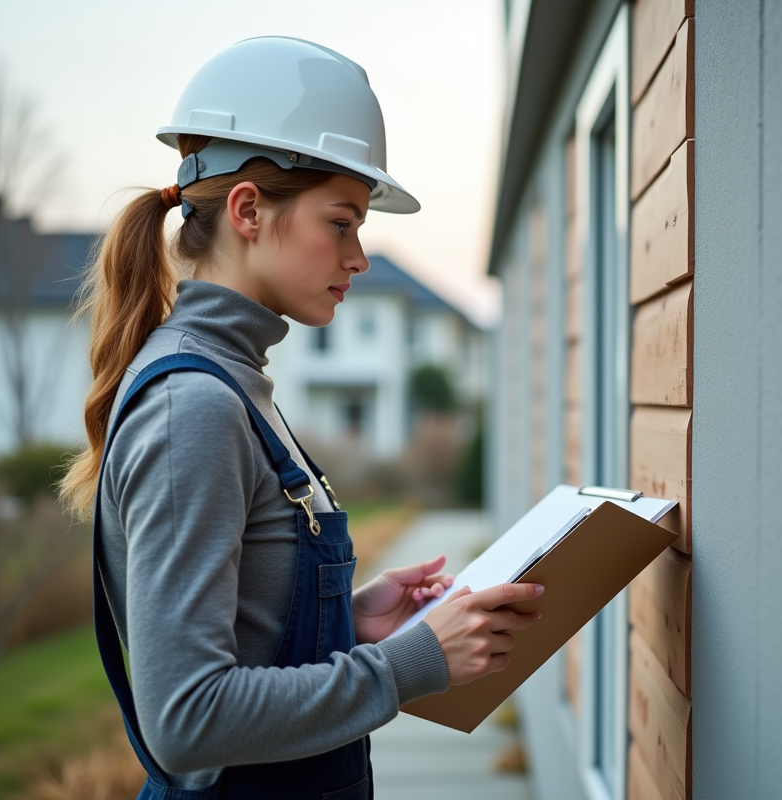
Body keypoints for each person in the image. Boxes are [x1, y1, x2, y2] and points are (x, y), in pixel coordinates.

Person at [58, 36, 541, 800]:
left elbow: (244, 639)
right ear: (249, 211)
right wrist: (411, 665)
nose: (359, 257)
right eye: (342, 222)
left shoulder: (238, 384)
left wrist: (351, 622)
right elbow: (186, 720)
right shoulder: (195, 407)